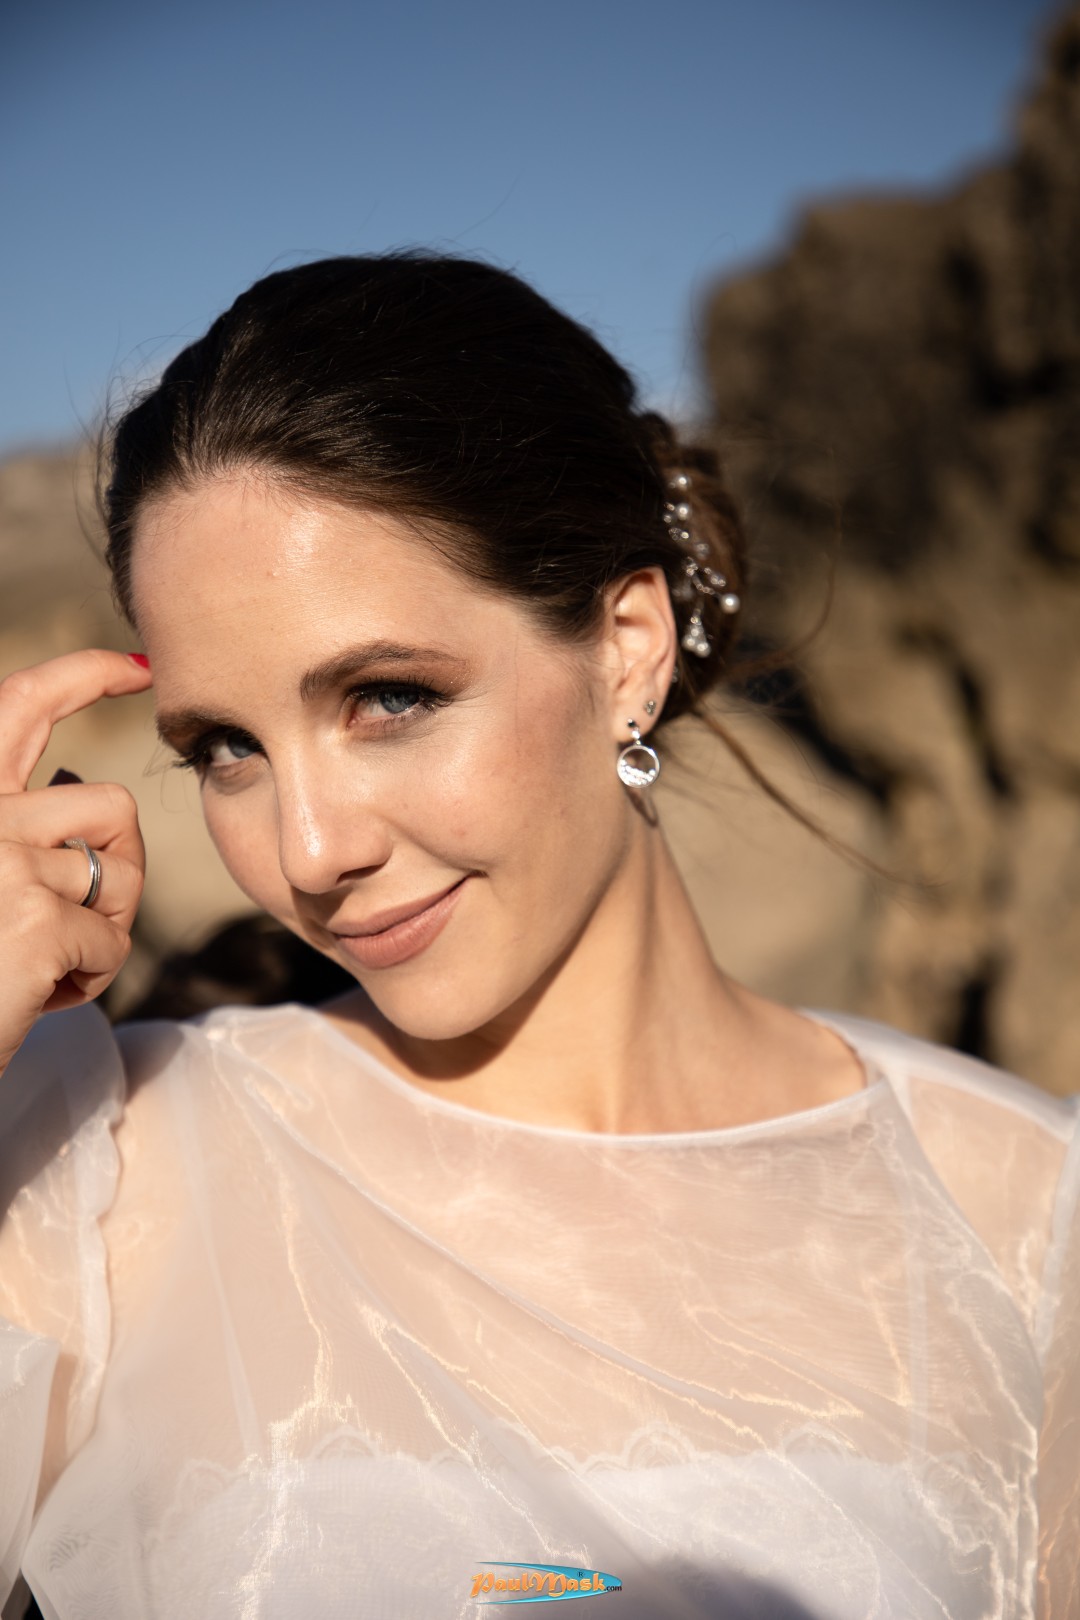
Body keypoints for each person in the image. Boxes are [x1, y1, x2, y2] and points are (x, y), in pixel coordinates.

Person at [0, 251, 1076, 1620]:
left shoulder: (1023, 1222)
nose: (309, 852)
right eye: (226, 746)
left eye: (389, 698)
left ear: (627, 647)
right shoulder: (97, 1174)